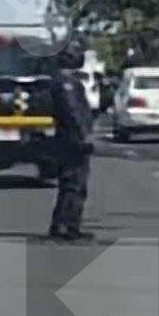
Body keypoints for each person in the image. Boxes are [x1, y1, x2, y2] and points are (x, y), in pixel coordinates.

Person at [48, 35, 96, 239]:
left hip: (68, 139)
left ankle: (65, 224)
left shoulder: (65, 80)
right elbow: (73, 112)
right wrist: (84, 136)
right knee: (74, 184)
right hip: (72, 141)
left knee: (72, 183)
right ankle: (66, 226)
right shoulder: (66, 82)